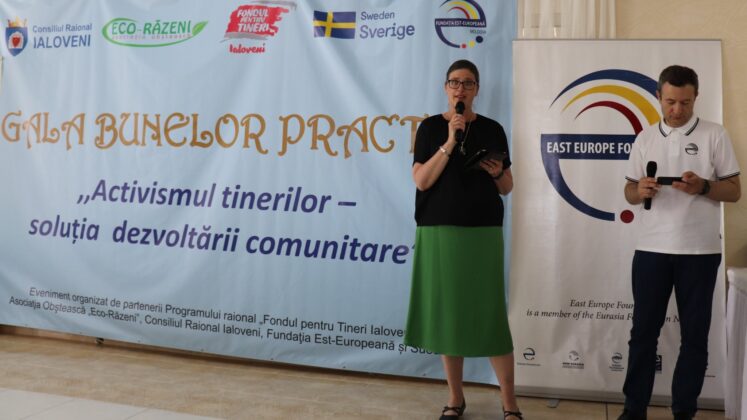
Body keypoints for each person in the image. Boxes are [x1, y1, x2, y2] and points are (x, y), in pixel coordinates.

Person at [619, 65, 741, 420]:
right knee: (643, 334)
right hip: (651, 250)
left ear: (696, 97)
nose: (677, 110)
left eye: (685, 103)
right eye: (670, 102)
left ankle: (684, 412)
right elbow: (628, 191)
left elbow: (734, 191)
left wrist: (703, 186)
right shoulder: (645, 138)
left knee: (695, 337)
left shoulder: (715, 134)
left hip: (700, 252)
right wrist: (639, 190)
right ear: (658, 96)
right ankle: (633, 410)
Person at [404, 59, 521, 420]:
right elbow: (422, 180)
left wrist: (498, 172)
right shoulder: (429, 129)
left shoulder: (492, 129)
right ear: (445, 88)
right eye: (455, 82)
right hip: (438, 232)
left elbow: (507, 187)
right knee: (449, 316)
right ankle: (455, 399)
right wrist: (449, 143)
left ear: (477, 90)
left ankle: (510, 404)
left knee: (490, 315)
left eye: (468, 83)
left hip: (483, 232)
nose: (461, 89)